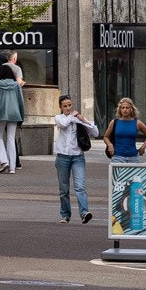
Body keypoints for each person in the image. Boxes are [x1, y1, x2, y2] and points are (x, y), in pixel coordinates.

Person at [53, 94, 99, 224]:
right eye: (65, 106)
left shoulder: (78, 119)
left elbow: (95, 132)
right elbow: (63, 124)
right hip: (62, 156)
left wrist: (83, 120)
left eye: (69, 105)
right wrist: (72, 117)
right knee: (63, 188)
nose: (68, 108)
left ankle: (84, 213)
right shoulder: (59, 117)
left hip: (77, 156)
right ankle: (65, 215)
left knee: (80, 186)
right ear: (61, 107)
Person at [0, 61, 25, 173]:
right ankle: (12, 168)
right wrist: (22, 116)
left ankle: (4, 162)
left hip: (0, 113)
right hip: (14, 113)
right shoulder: (16, 85)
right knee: (11, 139)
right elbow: (21, 102)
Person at [103, 97, 146, 162]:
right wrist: (110, 145)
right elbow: (106, 137)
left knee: (134, 172)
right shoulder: (114, 122)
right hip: (117, 157)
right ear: (120, 109)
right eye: (123, 108)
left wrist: (143, 147)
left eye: (127, 108)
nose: (125, 110)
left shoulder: (137, 123)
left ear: (131, 109)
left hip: (133, 157)